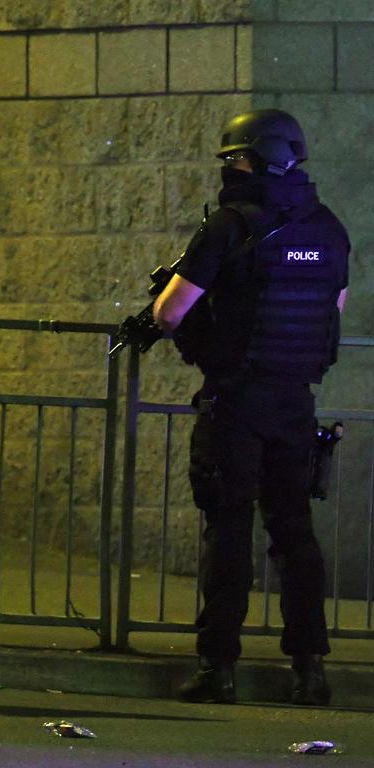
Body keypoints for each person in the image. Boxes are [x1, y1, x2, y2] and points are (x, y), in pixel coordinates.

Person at [153, 108, 349, 706]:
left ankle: (219, 668)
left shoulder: (229, 227)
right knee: (295, 536)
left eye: (236, 157)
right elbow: (331, 314)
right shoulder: (329, 229)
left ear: (259, 158)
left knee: (229, 533)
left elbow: (169, 312)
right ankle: (310, 671)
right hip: (295, 404)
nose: (231, 168)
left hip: (236, 402)